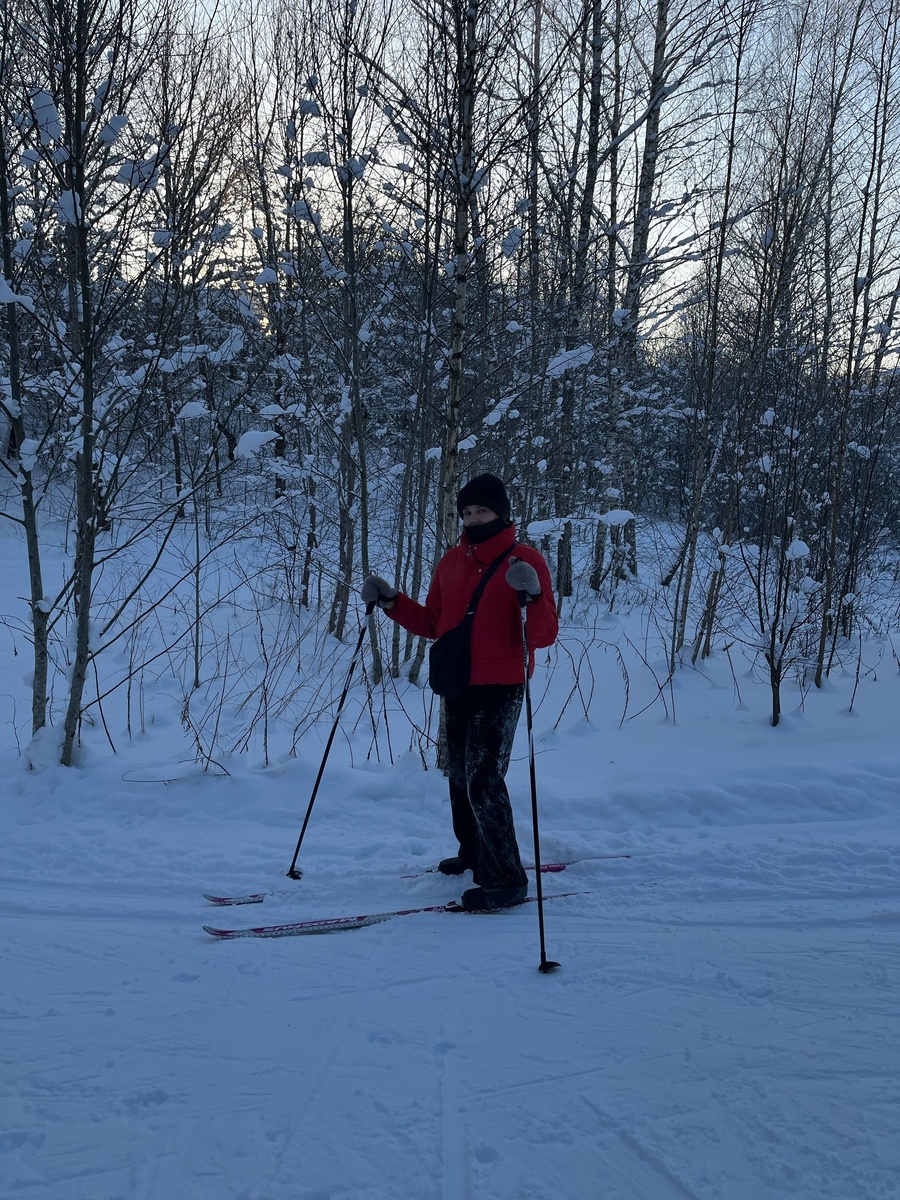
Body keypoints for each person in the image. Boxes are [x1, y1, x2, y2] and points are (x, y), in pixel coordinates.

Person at [361, 473, 558, 912]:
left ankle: (506, 878)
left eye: (482, 511)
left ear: (501, 513)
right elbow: (435, 623)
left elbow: (544, 635)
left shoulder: (525, 560)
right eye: (467, 512)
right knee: (459, 776)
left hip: (502, 684)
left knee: (484, 779)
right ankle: (474, 853)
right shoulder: (450, 563)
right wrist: (392, 602)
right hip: (458, 682)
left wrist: (534, 594)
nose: (473, 519)